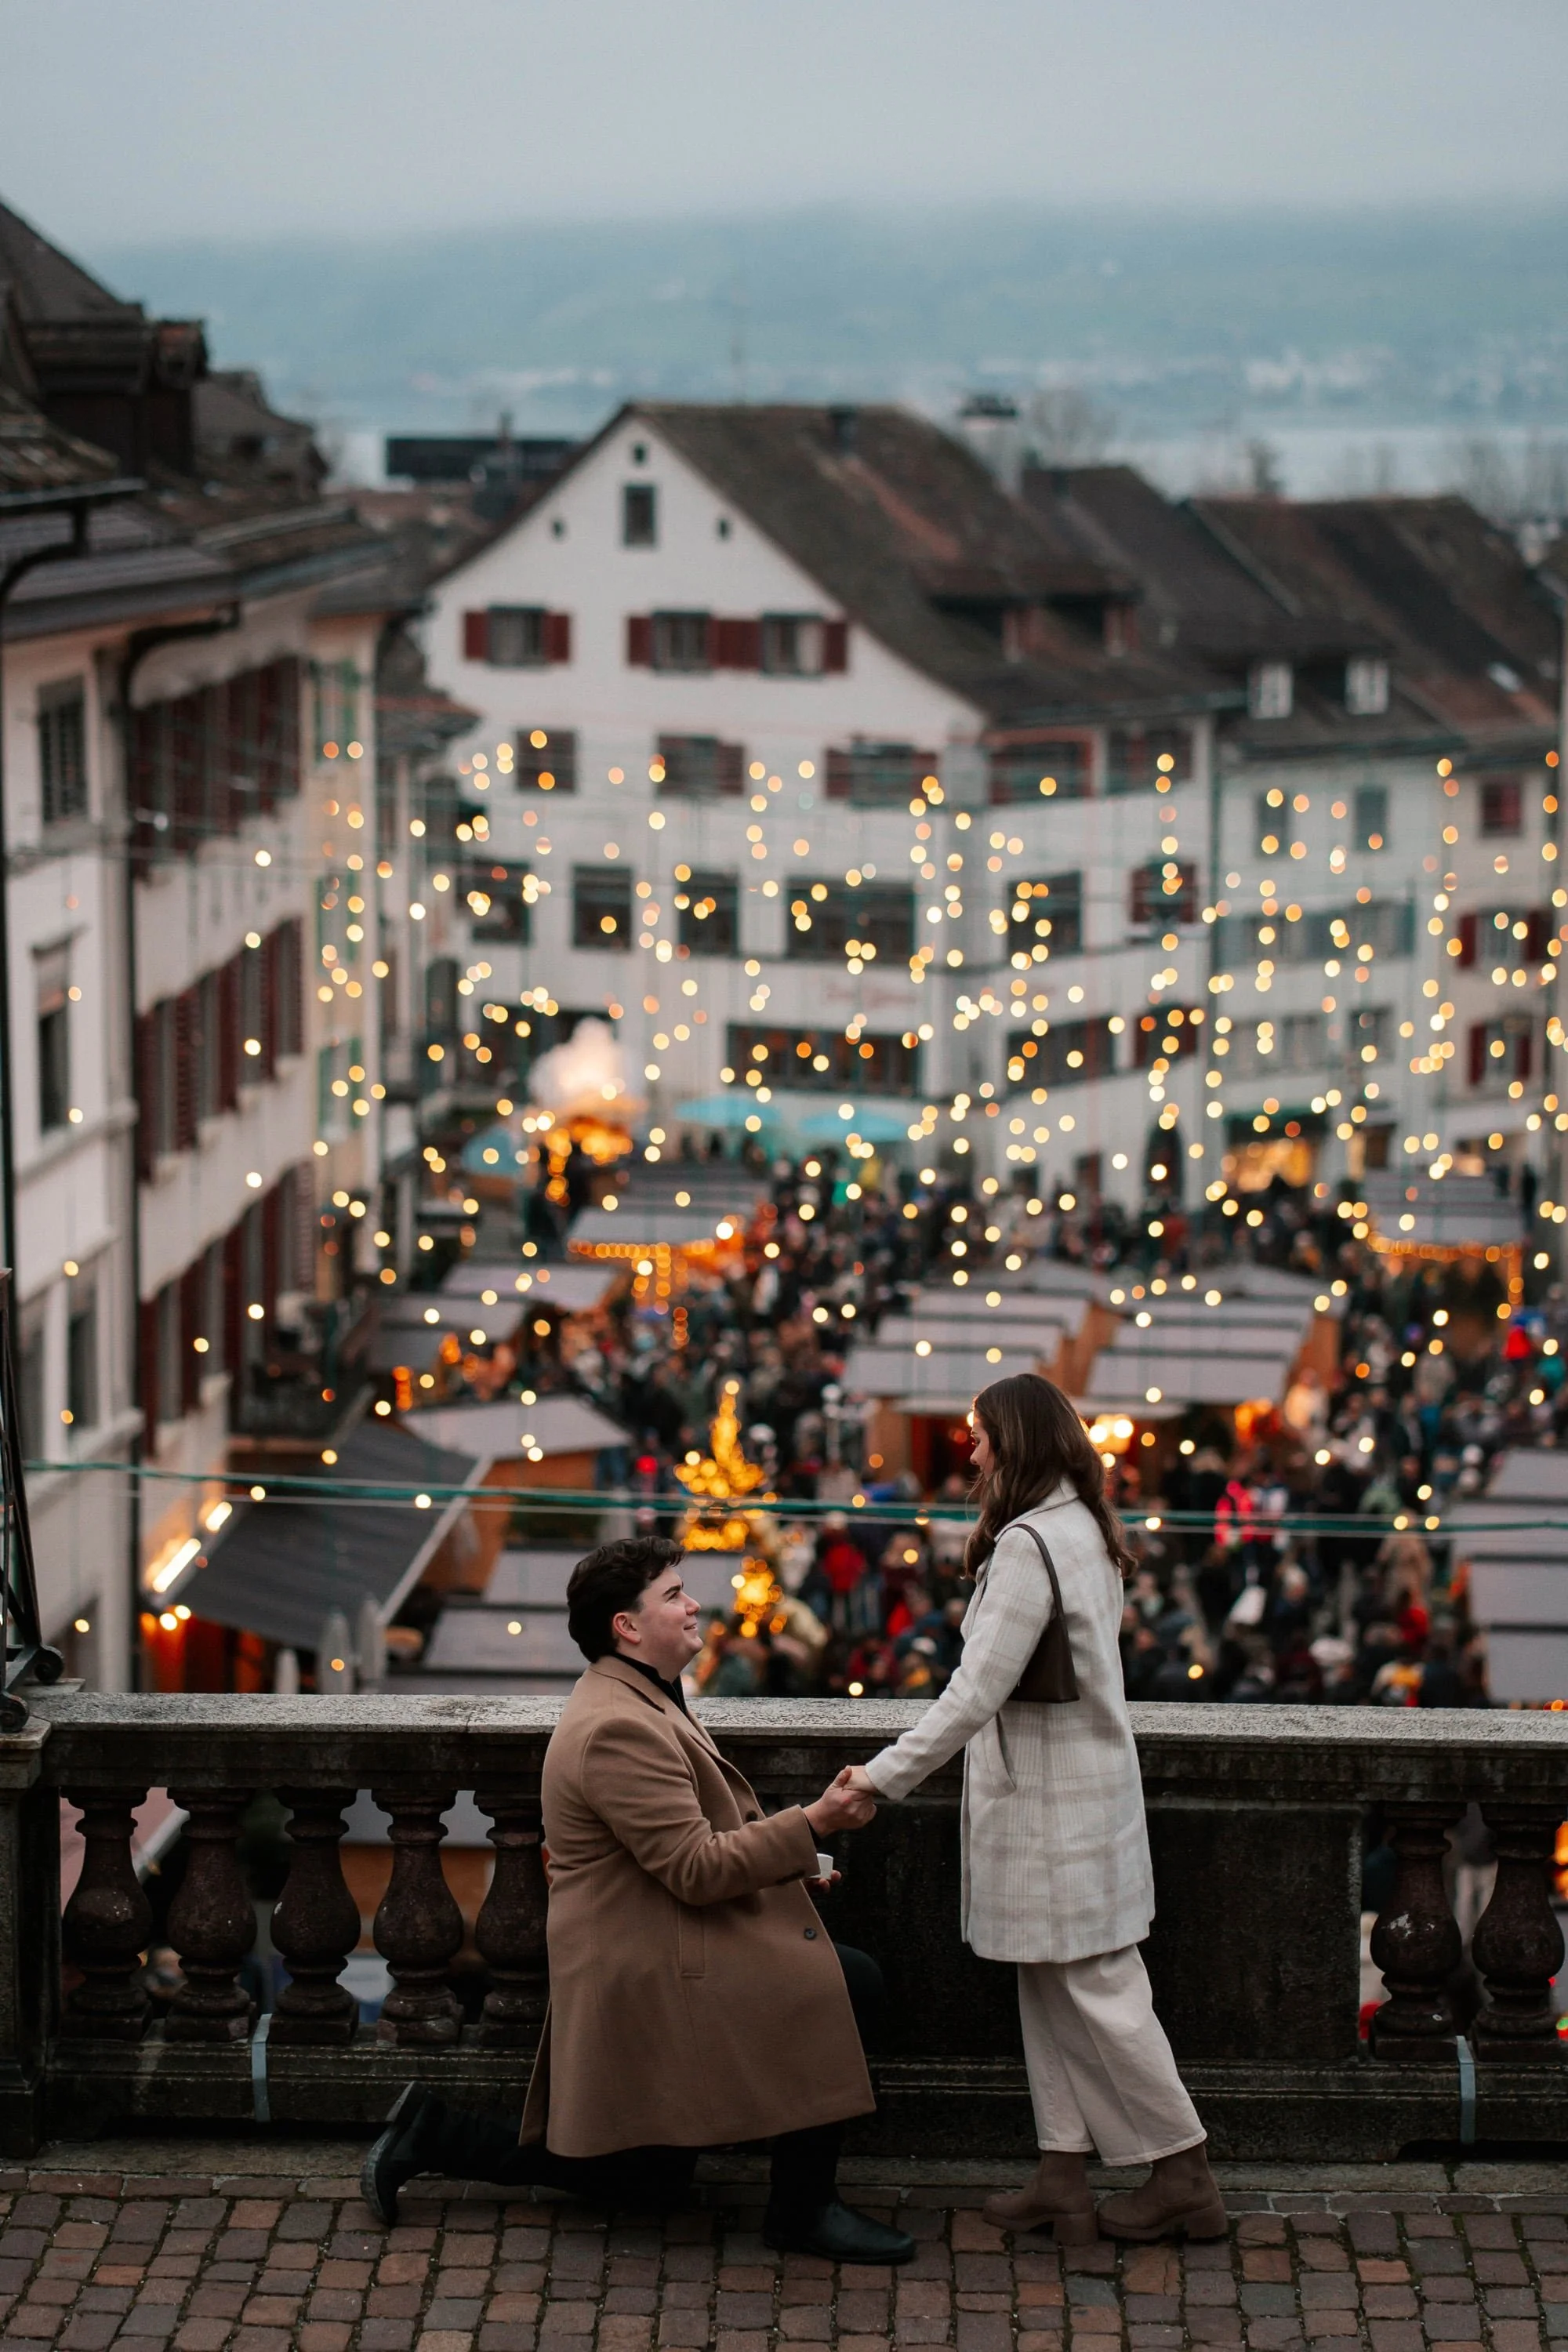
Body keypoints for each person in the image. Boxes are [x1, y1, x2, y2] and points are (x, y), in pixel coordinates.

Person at [364, 1532, 912, 2265]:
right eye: (673, 1596)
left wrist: (792, 1863)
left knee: (644, 2176)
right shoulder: (619, 1724)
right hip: (645, 1957)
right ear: (626, 1625)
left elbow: (683, 1843)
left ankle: (432, 2133)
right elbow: (694, 1868)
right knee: (845, 1981)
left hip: (655, 1932)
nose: (693, 1606)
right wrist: (813, 1822)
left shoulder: (637, 1694)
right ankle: (804, 2207)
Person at [840, 1374, 1225, 2245]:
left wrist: (878, 1778)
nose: (971, 1452)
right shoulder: (1083, 1523)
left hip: (1050, 1808)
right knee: (1054, 1982)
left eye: (981, 1436)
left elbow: (972, 1693)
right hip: (1084, 1792)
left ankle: (1183, 2172)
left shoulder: (1025, 1544)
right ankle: (1062, 2173)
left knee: (1096, 1987)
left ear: (1014, 1443)